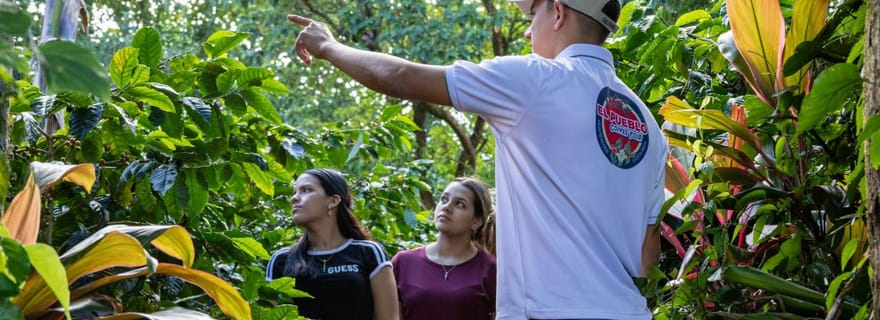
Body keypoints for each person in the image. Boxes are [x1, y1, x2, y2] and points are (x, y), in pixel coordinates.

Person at [287, 0, 667, 318]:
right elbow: (648, 251)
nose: (527, 33)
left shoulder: (538, 79)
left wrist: (329, 46)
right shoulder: (647, 124)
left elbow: (401, 77)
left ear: (556, 12)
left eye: (531, 16)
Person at [265, 168, 399, 320]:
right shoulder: (280, 260)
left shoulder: (369, 252)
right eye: (295, 192)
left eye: (306, 190)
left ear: (333, 201)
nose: (294, 198)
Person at [392, 178, 497, 320]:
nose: (446, 207)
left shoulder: (491, 269)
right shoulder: (403, 262)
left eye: (459, 204)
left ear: (476, 221)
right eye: (444, 199)